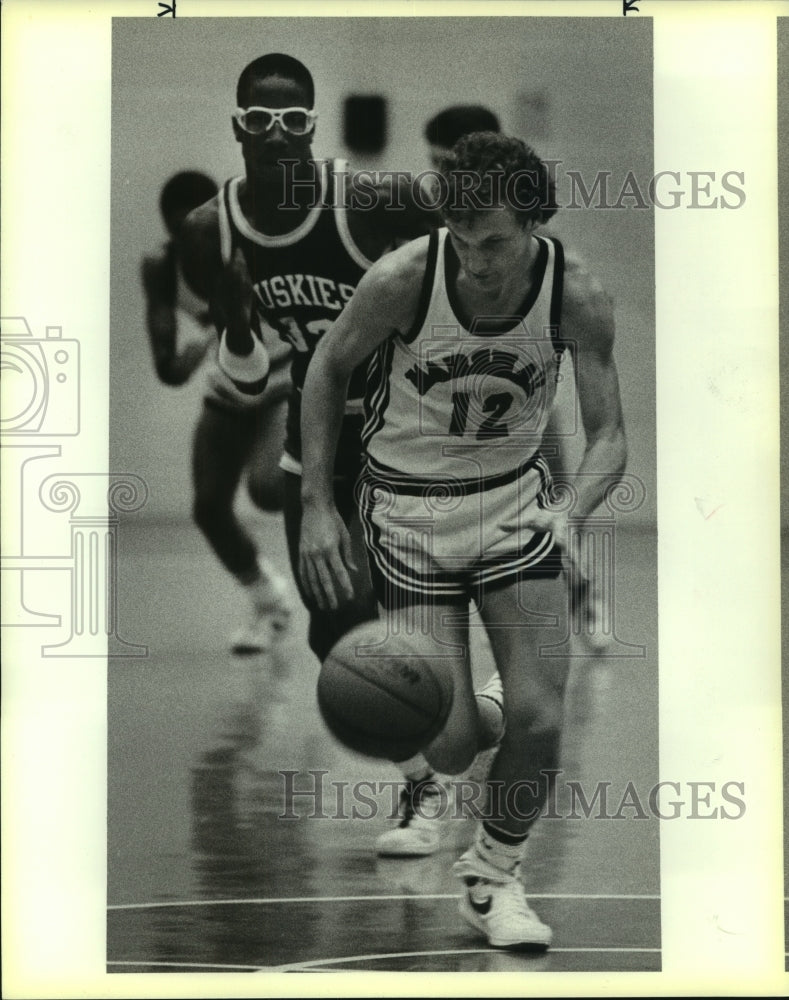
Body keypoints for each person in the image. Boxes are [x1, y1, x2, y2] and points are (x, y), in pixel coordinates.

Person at [298, 132, 627, 949]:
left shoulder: (574, 293)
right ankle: (488, 704)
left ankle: (491, 878)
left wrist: (570, 512)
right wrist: (314, 502)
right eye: (465, 242)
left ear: (533, 223)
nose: (478, 262)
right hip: (407, 514)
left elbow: (611, 434)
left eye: (495, 243)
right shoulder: (404, 278)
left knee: (543, 721)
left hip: (513, 508)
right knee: (445, 748)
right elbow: (326, 367)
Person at [178, 53, 436, 664]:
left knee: (393, 612)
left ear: (314, 127)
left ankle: (463, 719)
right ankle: (420, 757)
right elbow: (245, 374)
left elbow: (474, 243)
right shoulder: (206, 231)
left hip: (395, 422)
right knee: (333, 635)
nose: (277, 132)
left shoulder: (369, 199)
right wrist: (237, 325)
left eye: (294, 119)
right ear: (238, 126)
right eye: (261, 118)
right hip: (314, 422)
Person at [142, 170, 294, 655]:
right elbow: (168, 368)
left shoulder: (260, 251)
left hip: (285, 381)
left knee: (268, 488)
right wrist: (179, 359)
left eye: (200, 231)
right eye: (180, 235)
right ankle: (270, 604)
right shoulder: (163, 268)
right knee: (208, 507)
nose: (192, 244)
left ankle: (344, 529)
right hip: (229, 388)